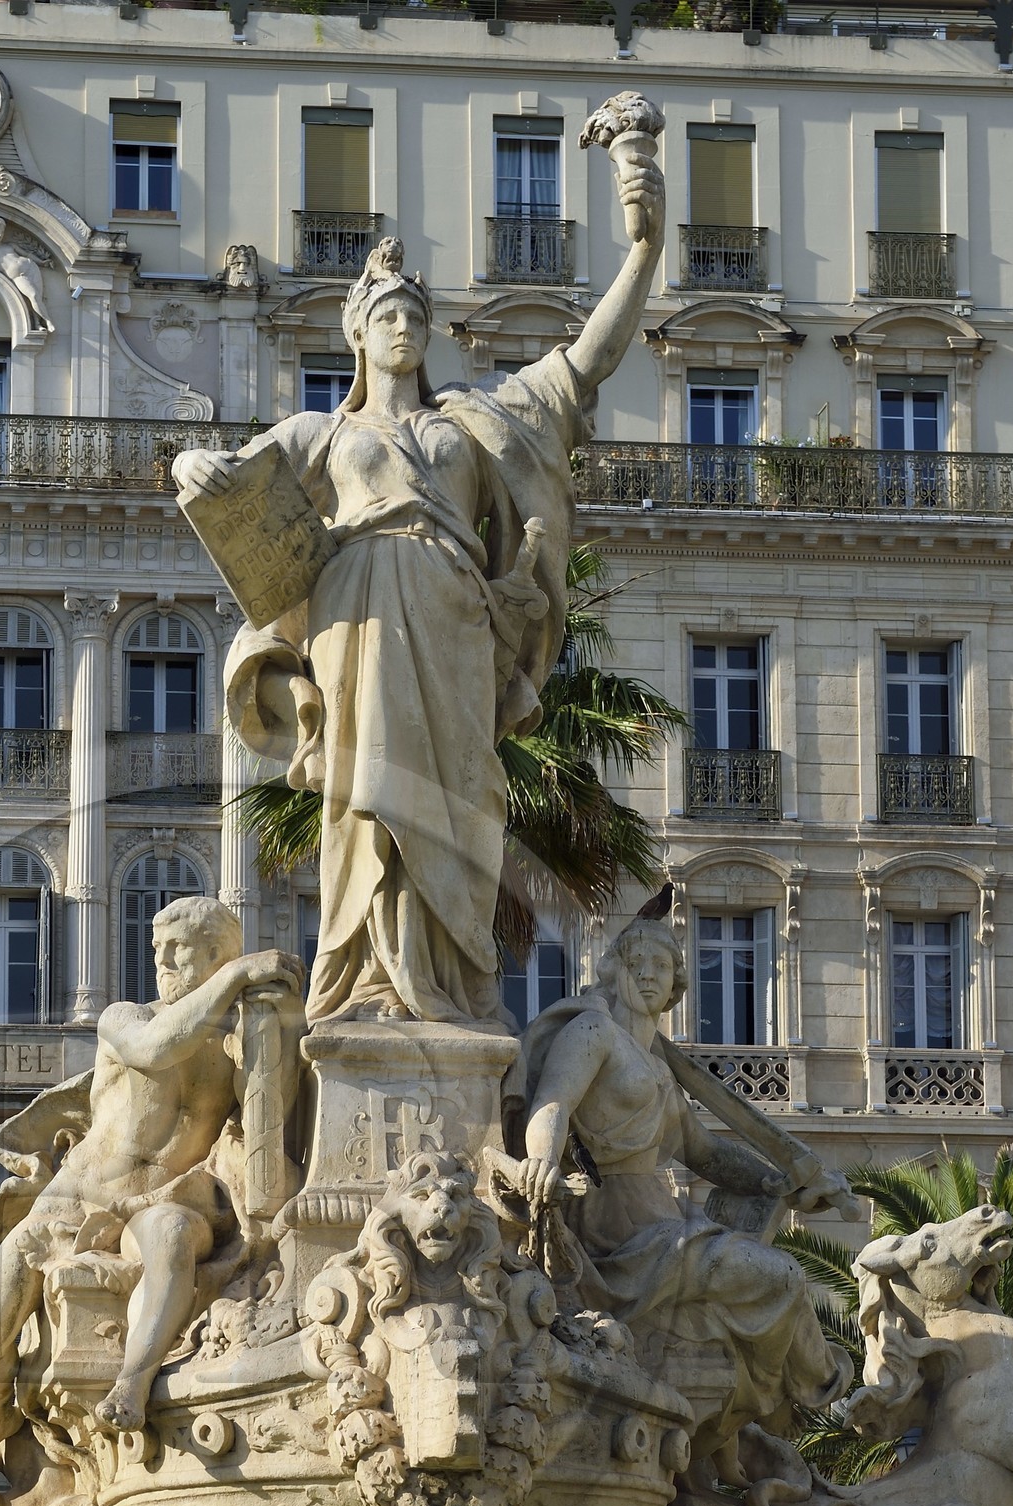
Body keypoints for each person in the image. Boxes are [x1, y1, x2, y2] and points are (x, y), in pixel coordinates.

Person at [170, 140, 665, 1028]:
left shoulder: (472, 422)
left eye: (414, 315)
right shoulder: (321, 433)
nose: (403, 327)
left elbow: (585, 362)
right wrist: (190, 461)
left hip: (454, 621)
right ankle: (366, 984)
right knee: (364, 804)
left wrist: (644, 247)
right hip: (355, 613)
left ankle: (452, 988)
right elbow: (229, 479)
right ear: (357, 335)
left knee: (460, 799)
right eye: (386, 315)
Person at [0, 897, 302, 1494]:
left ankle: (132, 1382)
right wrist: (239, 976)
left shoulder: (239, 1042)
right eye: (157, 947)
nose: (161, 959)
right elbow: (156, 1047)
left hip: (163, 1202)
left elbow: (269, 1115)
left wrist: (279, 1027)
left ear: (217, 951)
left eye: (177, 947)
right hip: (71, 1205)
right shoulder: (124, 1017)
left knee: (172, 1238)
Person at [513, 915, 850, 1474]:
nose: (648, 974)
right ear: (613, 971)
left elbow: (705, 1152)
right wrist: (542, 1161)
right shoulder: (594, 1032)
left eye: (661, 965)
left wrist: (783, 1185)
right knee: (783, 1276)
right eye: (636, 962)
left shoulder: (659, 1067)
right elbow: (552, 1102)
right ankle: (826, 1391)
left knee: (775, 1279)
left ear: (677, 983)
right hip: (614, 1225)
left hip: (660, 1220)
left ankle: (786, 1398)